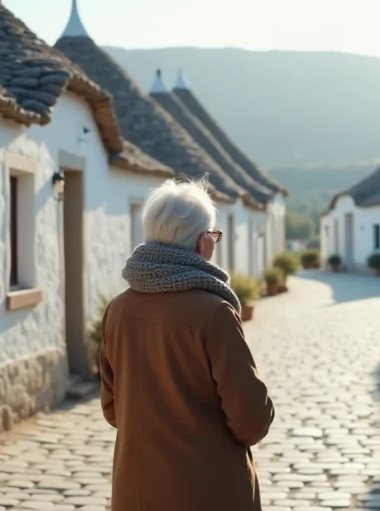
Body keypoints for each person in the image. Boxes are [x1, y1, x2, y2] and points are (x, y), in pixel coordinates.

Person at [100, 179, 275, 511]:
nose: (213, 242)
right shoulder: (215, 312)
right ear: (201, 243)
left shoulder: (118, 310)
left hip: (136, 491)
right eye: (212, 235)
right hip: (210, 490)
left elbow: (113, 410)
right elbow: (251, 418)